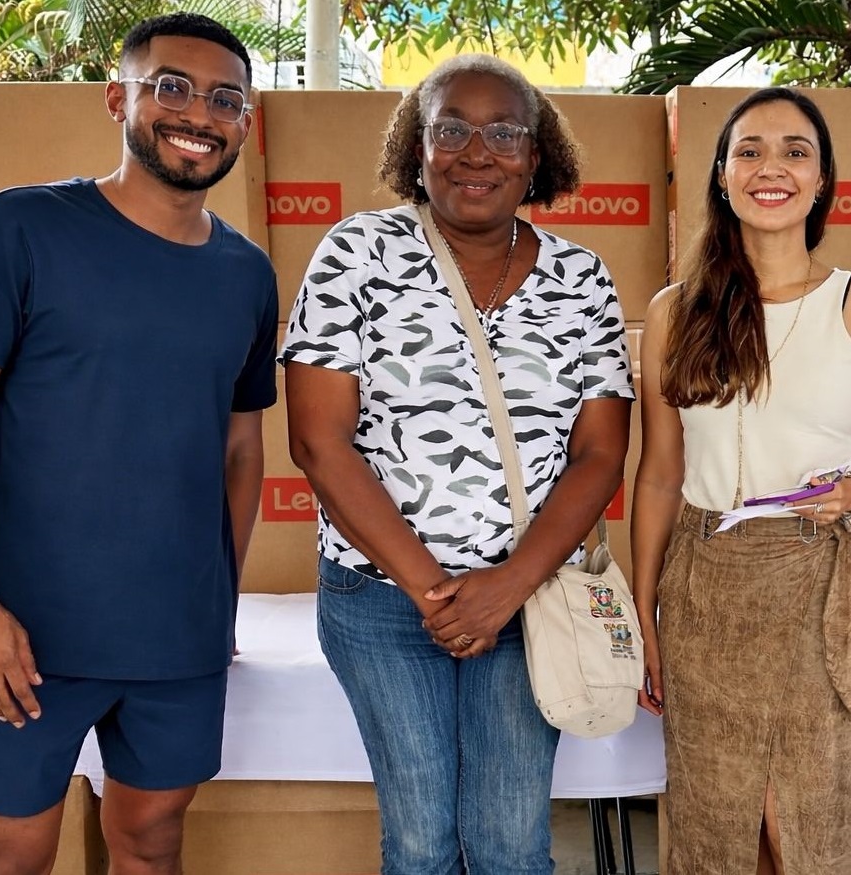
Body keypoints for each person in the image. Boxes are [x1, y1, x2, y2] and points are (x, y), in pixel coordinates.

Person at [0, 12, 275, 875]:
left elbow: (240, 449)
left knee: (151, 841)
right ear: (120, 98)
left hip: (177, 635)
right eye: (170, 87)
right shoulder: (19, 228)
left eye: (226, 98)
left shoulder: (248, 273)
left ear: (244, 124)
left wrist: (216, 603)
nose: (198, 112)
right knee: (9, 854)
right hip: (25, 630)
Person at [280, 54, 633, 874]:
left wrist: (503, 587)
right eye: (452, 130)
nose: (478, 152)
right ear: (417, 148)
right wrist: (435, 594)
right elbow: (318, 441)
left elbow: (600, 452)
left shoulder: (581, 280)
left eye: (504, 132)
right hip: (381, 603)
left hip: (530, 598)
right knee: (420, 843)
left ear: (536, 156)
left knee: (512, 844)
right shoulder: (355, 254)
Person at [631, 87, 851, 874]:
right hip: (704, 590)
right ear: (721, 176)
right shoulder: (673, 312)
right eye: (750, 151)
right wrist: (643, 609)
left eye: (795, 152)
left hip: (818, 585)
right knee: (716, 816)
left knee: (806, 818)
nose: (773, 168)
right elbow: (660, 474)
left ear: (823, 179)